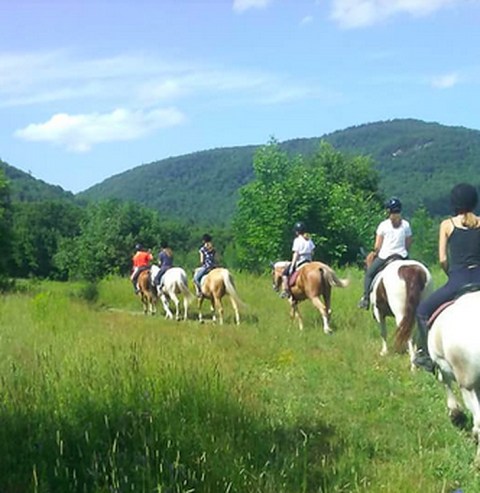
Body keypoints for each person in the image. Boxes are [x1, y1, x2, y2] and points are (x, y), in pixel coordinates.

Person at [413, 183, 480, 372]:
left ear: (454, 203)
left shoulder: (447, 225)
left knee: (422, 311)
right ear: (475, 201)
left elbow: (442, 258)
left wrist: (450, 273)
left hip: (458, 278)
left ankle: (425, 355)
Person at [358, 197, 413, 309]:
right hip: (402, 256)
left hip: (385, 256)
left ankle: (366, 298)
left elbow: (377, 246)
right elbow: (408, 243)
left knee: (369, 274)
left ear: (388, 211)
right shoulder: (406, 225)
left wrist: (374, 253)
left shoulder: (383, 225)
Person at [280, 221, 315, 299]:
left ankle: (285, 291)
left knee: (285, 274)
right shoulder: (309, 240)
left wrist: (292, 265)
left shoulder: (297, 240)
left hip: (300, 261)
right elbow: (312, 252)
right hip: (309, 261)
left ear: (297, 232)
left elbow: (296, 254)